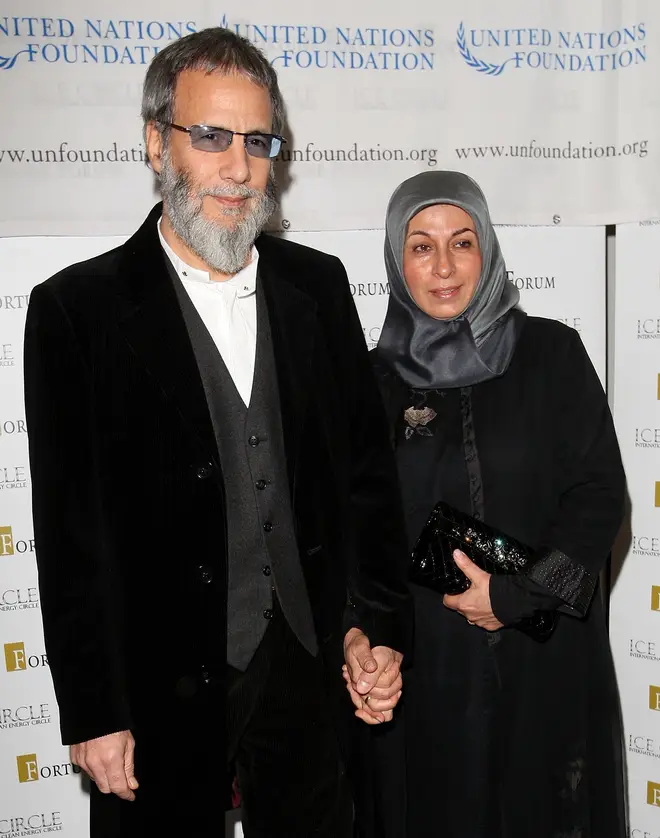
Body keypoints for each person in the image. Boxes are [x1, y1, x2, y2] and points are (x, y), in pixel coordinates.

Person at [23, 28, 411, 838]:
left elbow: (365, 486)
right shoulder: (76, 312)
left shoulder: (319, 285)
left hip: (308, 669)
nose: (238, 168)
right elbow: (69, 538)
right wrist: (94, 710)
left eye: (257, 141)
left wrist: (369, 627)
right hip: (158, 689)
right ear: (157, 145)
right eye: (210, 137)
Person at [363, 170, 627, 838]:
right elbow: (357, 529)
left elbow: (602, 503)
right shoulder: (373, 381)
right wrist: (365, 638)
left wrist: (516, 596)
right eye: (421, 246)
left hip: (543, 662)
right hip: (426, 676)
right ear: (398, 261)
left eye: (463, 242)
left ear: (488, 251)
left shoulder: (551, 353)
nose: (445, 267)